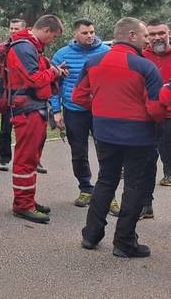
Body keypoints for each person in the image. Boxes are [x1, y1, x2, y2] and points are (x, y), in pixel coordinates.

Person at [75, 17, 164, 258]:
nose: (147, 41)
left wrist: (103, 109)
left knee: (106, 180)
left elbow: (79, 97)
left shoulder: (93, 61)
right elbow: (155, 109)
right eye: (145, 36)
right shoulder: (145, 67)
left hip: (105, 133)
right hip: (139, 136)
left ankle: (91, 235)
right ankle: (124, 242)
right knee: (134, 186)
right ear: (132, 36)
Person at [5, 15, 68, 223]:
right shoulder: (24, 48)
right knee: (26, 157)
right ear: (47, 30)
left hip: (34, 108)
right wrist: (53, 72)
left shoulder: (32, 46)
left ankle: (27, 200)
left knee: (32, 157)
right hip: (27, 110)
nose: (52, 41)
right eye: (53, 37)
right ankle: (23, 205)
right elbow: (34, 78)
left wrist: (54, 71)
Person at [49, 19, 113, 208]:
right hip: (73, 110)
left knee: (107, 152)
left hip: (100, 111)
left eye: (92, 32)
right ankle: (85, 188)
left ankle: (109, 194)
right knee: (78, 153)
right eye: (85, 33)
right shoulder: (62, 54)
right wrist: (56, 111)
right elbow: (54, 86)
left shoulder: (106, 52)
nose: (90, 36)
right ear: (75, 34)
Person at [142, 19, 171, 219]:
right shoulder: (141, 57)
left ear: (168, 33)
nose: (157, 37)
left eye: (161, 33)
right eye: (152, 34)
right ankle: (146, 205)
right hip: (148, 119)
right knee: (145, 164)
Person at [0, 18, 31, 171]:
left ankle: (31, 159)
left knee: (28, 128)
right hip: (7, 91)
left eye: (16, 29)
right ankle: (4, 159)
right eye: (11, 28)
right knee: (5, 127)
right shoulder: (4, 47)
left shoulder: (30, 47)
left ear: (24, 30)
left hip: (26, 92)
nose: (13, 31)